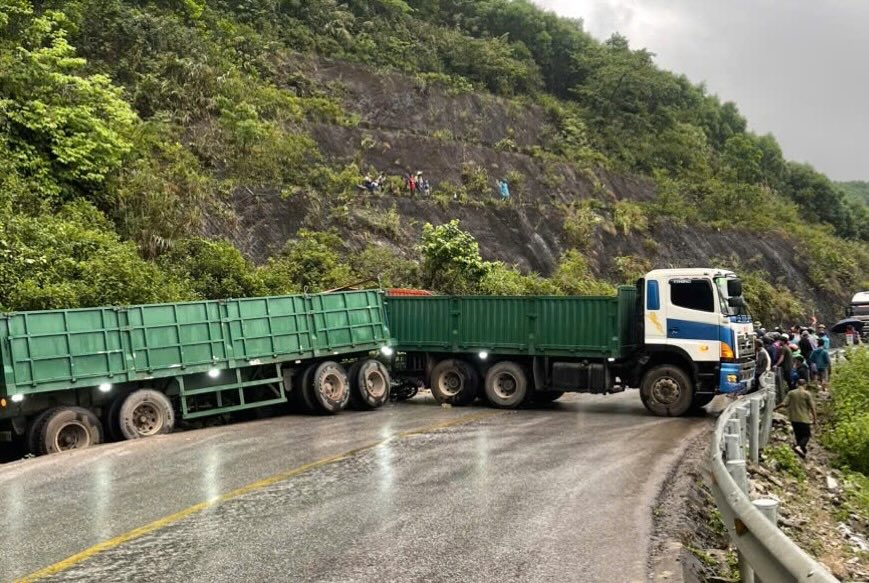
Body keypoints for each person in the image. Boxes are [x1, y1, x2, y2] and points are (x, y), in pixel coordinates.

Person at [775, 379, 817, 458]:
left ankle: (801, 454)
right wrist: (815, 419)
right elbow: (812, 408)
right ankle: (799, 447)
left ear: (797, 384)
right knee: (806, 435)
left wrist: (774, 408)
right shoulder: (807, 394)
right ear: (805, 385)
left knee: (798, 436)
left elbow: (784, 404)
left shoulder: (791, 393)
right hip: (804, 419)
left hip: (794, 419)